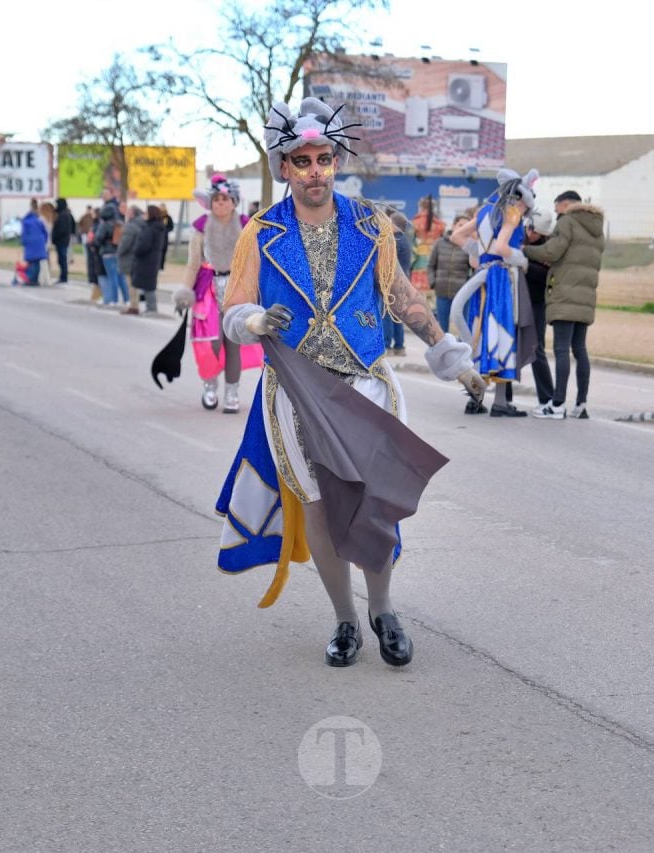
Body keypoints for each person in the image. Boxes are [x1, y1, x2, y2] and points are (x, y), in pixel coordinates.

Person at [217, 98, 485, 667]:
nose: (314, 170)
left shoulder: (371, 224)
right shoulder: (260, 233)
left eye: (323, 158)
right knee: (317, 506)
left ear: (335, 160)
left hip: (365, 382)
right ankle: (344, 620)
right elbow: (233, 306)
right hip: (295, 392)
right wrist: (255, 321)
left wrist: (447, 352)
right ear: (284, 168)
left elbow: (400, 297)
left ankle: (383, 610)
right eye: (301, 160)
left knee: (375, 502)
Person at [450, 168, 542, 417]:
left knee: (480, 332)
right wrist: (520, 259)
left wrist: (481, 255)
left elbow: (456, 235)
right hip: (503, 278)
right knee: (502, 333)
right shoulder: (511, 212)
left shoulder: (483, 210)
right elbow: (502, 246)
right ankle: (500, 403)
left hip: (484, 277)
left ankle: (475, 399)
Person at [173, 174, 262, 412]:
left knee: (234, 342)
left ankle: (232, 393)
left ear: (233, 201)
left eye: (225, 199)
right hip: (208, 293)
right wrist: (184, 292)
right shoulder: (200, 229)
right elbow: (193, 264)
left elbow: (255, 261)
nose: (221, 203)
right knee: (212, 343)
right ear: (210, 203)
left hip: (238, 291)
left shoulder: (247, 226)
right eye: (216, 199)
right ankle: (209, 386)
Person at [525, 190, 605, 419]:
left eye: (557, 206)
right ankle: (580, 405)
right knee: (580, 349)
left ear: (566, 204)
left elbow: (553, 250)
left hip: (565, 293)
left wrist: (525, 251)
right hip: (586, 296)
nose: (556, 211)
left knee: (561, 349)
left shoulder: (567, 221)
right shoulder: (597, 227)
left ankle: (557, 404)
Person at [519, 210, 557, 411]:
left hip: (536, 301)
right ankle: (504, 397)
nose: (529, 232)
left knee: (536, 349)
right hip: (515, 298)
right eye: (528, 228)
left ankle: (546, 397)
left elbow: (547, 276)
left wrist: (526, 266)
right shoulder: (517, 238)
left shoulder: (547, 248)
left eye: (534, 230)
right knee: (509, 346)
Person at [428, 213, 474, 334]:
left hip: (461, 293)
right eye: (460, 225)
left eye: (466, 226)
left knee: (463, 325)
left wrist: (468, 285)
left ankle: (464, 350)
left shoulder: (469, 246)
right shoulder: (439, 243)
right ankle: (445, 351)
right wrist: (434, 282)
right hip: (442, 291)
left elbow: (475, 269)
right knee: (442, 328)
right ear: (453, 225)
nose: (462, 228)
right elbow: (431, 265)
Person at [383, 210, 412, 355]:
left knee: (387, 315)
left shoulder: (396, 241)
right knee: (397, 316)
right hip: (401, 282)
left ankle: (387, 346)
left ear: (395, 225)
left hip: (392, 283)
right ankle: (399, 347)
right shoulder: (403, 239)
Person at [131, 205, 167, 313]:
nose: (144, 215)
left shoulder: (150, 228)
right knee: (148, 284)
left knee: (148, 286)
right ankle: (151, 307)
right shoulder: (158, 227)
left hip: (146, 260)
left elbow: (144, 245)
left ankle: (151, 308)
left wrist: (136, 250)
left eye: (146, 213)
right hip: (153, 260)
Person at [409, 195, 445, 292]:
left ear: (421, 207)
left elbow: (411, 243)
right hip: (435, 260)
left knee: (418, 293)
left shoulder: (415, 223)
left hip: (419, 261)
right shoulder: (440, 224)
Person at [94, 204, 125, 305]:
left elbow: (98, 238)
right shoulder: (120, 223)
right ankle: (126, 299)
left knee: (112, 277)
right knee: (121, 277)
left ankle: (114, 299)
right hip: (118, 252)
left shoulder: (105, 224)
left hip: (107, 252)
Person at [116, 205, 144, 314]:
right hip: (137, 257)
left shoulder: (131, 226)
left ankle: (134, 306)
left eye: (128, 212)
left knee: (131, 284)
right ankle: (134, 305)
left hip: (129, 258)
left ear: (132, 214)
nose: (126, 213)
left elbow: (125, 243)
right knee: (134, 283)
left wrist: (119, 252)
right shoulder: (141, 224)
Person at [17, 198, 48, 286]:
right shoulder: (39, 221)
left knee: (31, 262)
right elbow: (45, 232)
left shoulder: (26, 222)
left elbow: (24, 234)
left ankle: (30, 279)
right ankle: (35, 280)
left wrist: (23, 242)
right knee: (37, 262)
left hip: (30, 243)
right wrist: (44, 241)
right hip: (39, 242)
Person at [51, 198, 76, 283]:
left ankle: (64, 277)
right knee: (61, 259)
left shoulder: (63, 215)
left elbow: (61, 229)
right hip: (63, 240)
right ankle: (63, 276)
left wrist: (54, 237)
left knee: (62, 259)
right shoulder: (64, 214)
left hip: (62, 240)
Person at [158, 204, 175, 270]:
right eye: (161, 208)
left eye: (163, 208)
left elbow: (171, 227)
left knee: (163, 252)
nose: (162, 209)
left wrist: (166, 230)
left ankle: (161, 267)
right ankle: (157, 266)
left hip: (164, 238)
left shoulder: (168, 217)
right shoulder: (157, 217)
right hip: (158, 237)